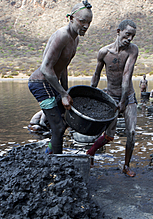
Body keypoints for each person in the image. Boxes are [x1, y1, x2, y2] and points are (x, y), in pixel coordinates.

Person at [28, 1, 93, 154]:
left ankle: (49, 153)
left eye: (88, 22)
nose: (85, 26)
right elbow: (45, 68)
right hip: (40, 83)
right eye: (81, 21)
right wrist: (63, 94)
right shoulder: (62, 35)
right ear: (71, 18)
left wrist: (66, 91)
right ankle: (55, 163)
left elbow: (63, 67)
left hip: (51, 83)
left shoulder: (75, 39)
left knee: (63, 123)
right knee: (57, 127)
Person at [86, 19, 138, 177]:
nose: (129, 39)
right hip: (110, 97)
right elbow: (96, 74)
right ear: (118, 31)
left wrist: (123, 100)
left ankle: (126, 165)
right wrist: (89, 95)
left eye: (132, 36)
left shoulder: (132, 50)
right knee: (109, 135)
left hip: (128, 96)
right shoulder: (104, 52)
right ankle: (90, 153)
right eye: (127, 34)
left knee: (132, 132)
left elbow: (126, 75)